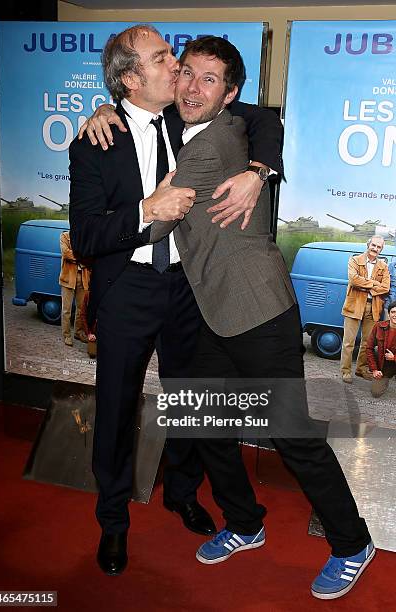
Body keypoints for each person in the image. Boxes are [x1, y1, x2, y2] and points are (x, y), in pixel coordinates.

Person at [148, 35, 374, 601]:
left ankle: (353, 543)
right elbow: (258, 119)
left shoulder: (210, 146)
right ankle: (245, 524)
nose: (193, 88)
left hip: (256, 310)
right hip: (213, 311)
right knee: (203, 421)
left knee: (292, 436)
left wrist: (111, 212)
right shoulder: (201, 126)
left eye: (209, 80)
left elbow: (150, 224)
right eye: (188, 74)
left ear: (230, 95)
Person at [69, 24, 284, 577]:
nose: (178, 68)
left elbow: (262, 117)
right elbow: (88, 237)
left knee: (190, 400)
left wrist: (260, 172)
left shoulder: (182, 114)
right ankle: (113, 523)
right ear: (132, 78)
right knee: (116, 412)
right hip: (129, 293)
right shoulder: (96, 140)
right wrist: (148, 210)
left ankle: (183, 494)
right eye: (165, 58)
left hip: (188, 288)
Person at [340, 236, 390, 383]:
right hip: (354, 305)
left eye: (378, 247)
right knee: (348, 342)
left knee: (367, 342)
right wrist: (375, 284)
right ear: (368, 245)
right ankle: (346, 371)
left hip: (373, 307)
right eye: (373, 245)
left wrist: (367, 287)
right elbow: (353, 280)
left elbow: (385, 287)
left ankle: (361, 369)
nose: (375, 249)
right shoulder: (355, 260)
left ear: (381, 249)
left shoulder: (383, 266)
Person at [58, 230, 90, 346]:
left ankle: (78, 332)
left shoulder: (87, 238)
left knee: (81, 309)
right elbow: (66, 253)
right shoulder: (65, 236)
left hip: (83, 278)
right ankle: (66, 335)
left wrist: (78, 256)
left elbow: (91, 257)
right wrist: (82, 257)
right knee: (66, 310)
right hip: (68, 278)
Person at [366, 300, 396, 397]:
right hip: (384, 366)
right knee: (376, 393)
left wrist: (394, 357)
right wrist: (374, 370)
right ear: (389, 314)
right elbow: (369, 348)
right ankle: (385, 378)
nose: (395, 315)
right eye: (393, 312)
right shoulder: (378, 326)